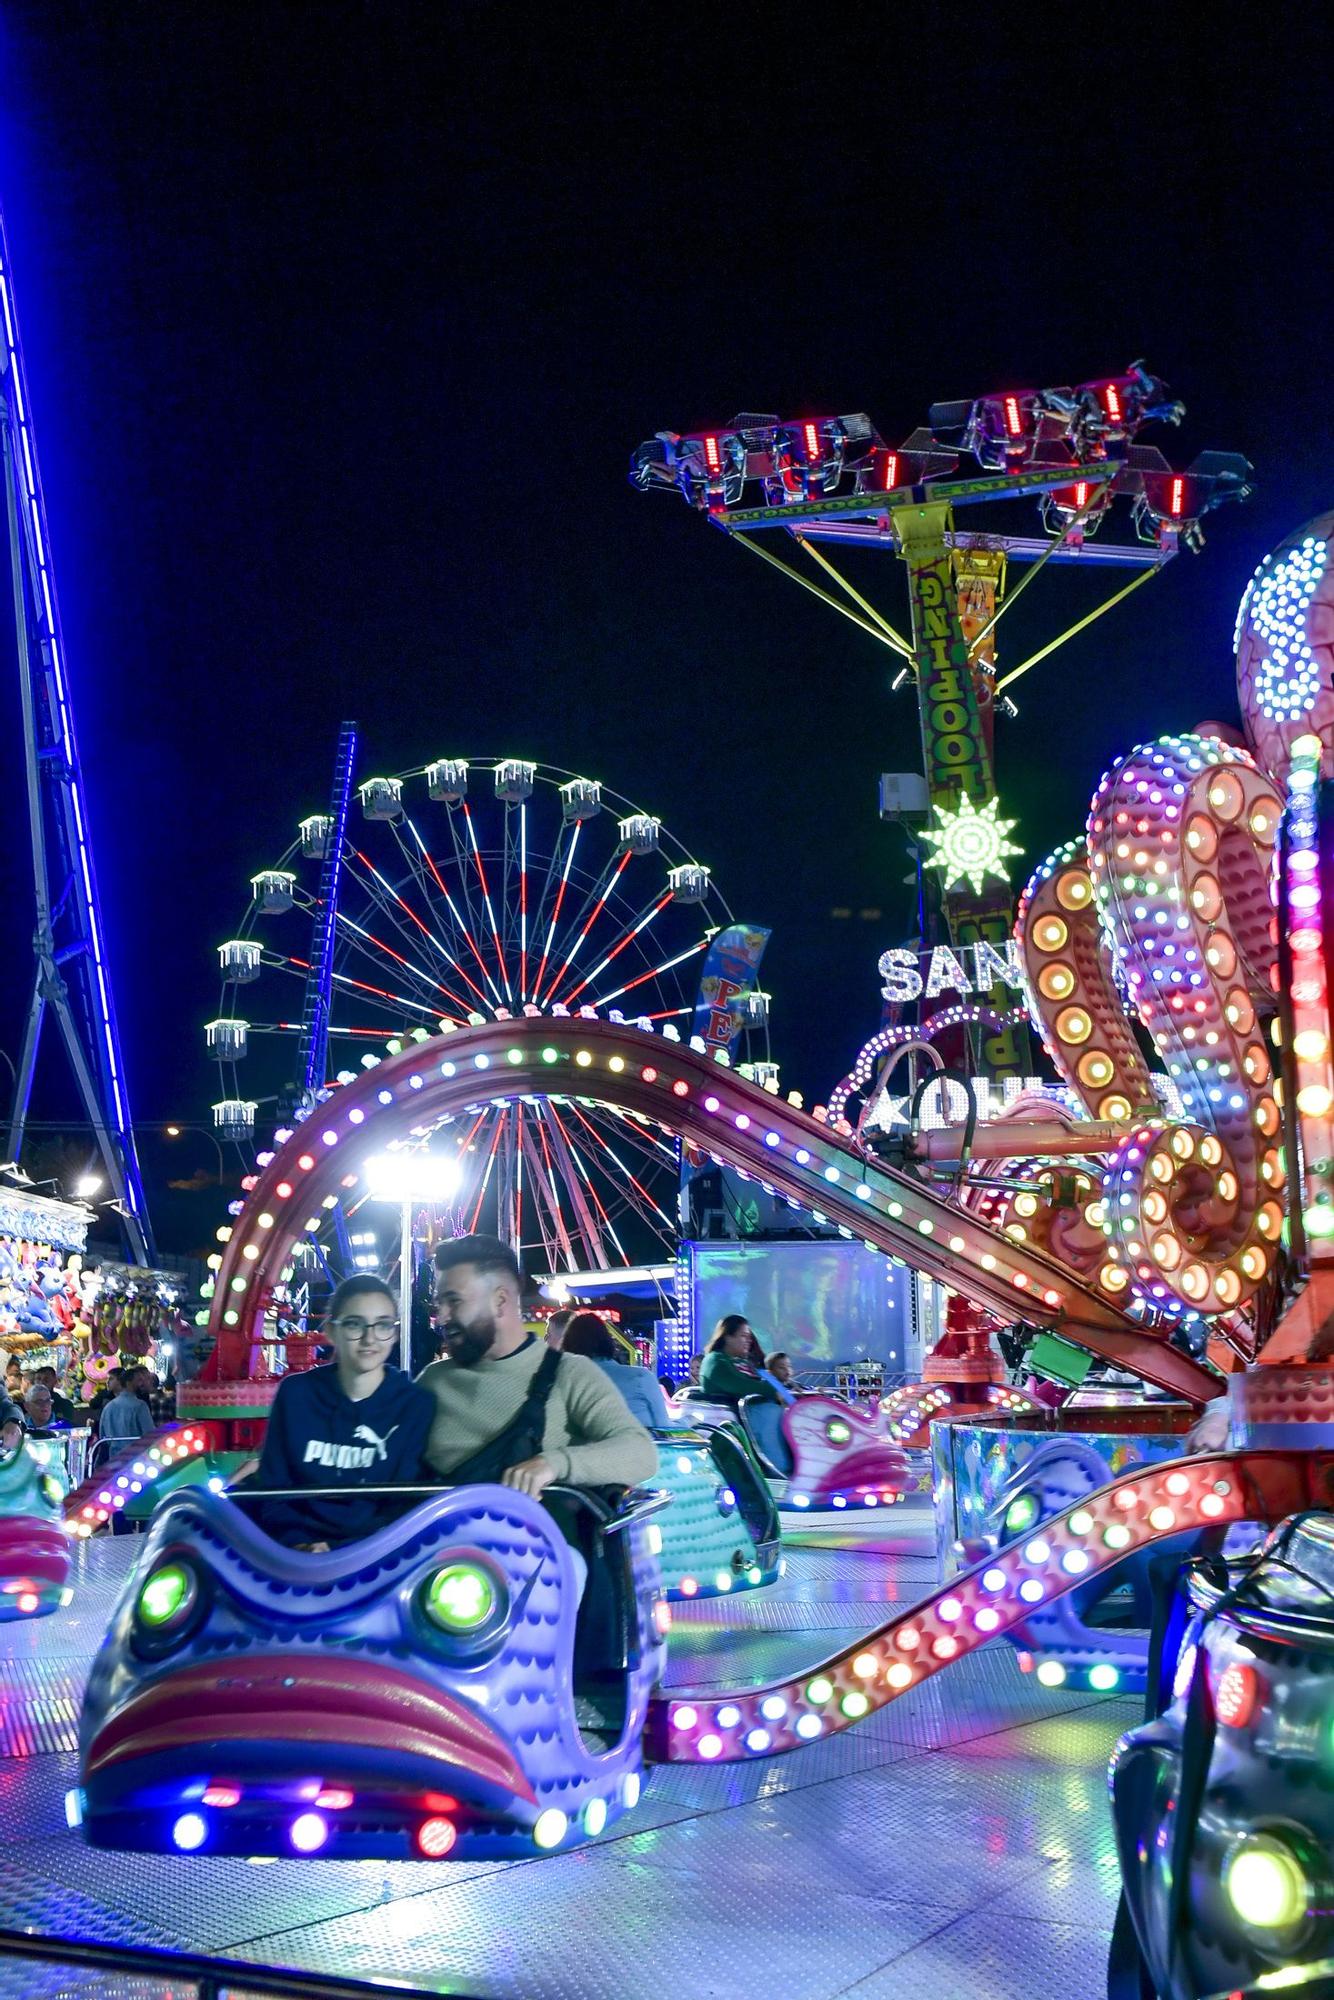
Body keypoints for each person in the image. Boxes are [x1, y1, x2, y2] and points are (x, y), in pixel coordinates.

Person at [418, 1235, 657, 1497]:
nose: (441, 1317)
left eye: (454, 1301)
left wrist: (554, 1464)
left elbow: (640, 1452)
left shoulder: (570, 1374)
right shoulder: (432, 1381)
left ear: (500, 1301)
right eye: (439, 1303)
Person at [253, 1275, 435, 1550]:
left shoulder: (415, 1405)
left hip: (378, 1551)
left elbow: (403, 1502)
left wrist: (349, 1548)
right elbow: (273, 1488)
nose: (369, 1338)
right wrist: (299, 1543)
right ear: (331, 1331)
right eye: (354, 1324)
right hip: (296, 1551)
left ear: (395, 1334)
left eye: (383, 1325)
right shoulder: (295, 1394)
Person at [559, 1311, 673, 1431]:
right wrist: (689, 1419)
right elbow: (665, 1427)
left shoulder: (564, 1384)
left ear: (568, 1345)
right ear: (607, 1340)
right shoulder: (641, 1377)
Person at [699, 1315, 782, 1410]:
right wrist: (776, 1391)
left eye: (749, 1337)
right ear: (727, 1337)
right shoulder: (715, 1361)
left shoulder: (741, 1362)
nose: (749, 1341)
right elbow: (742, 1385)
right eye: (743, 1336)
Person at [96, 1372, 155, 1451]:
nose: (141, 1384)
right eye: (138, 1380)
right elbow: (150, 1435)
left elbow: (103, 1437)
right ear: (128, 1383)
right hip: (136, 1455)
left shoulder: (108, 1407)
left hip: (114, 1457)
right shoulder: (140, 1406)